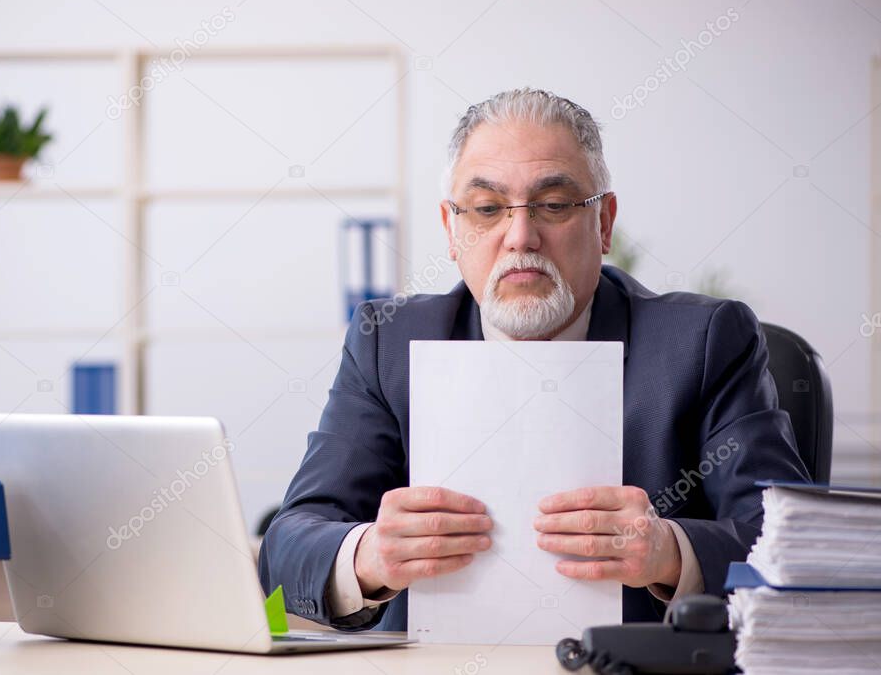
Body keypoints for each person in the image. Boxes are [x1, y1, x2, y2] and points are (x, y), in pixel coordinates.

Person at [258, 87, 809, 630]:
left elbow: (793, 543)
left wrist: (671, 552)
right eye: (487, 209)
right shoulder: (388, 342)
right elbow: (286, 550)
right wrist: (369, 555)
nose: (520, 237)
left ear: (605, 223)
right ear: (451, 230)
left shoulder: (706, 341)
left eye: (553, 205)